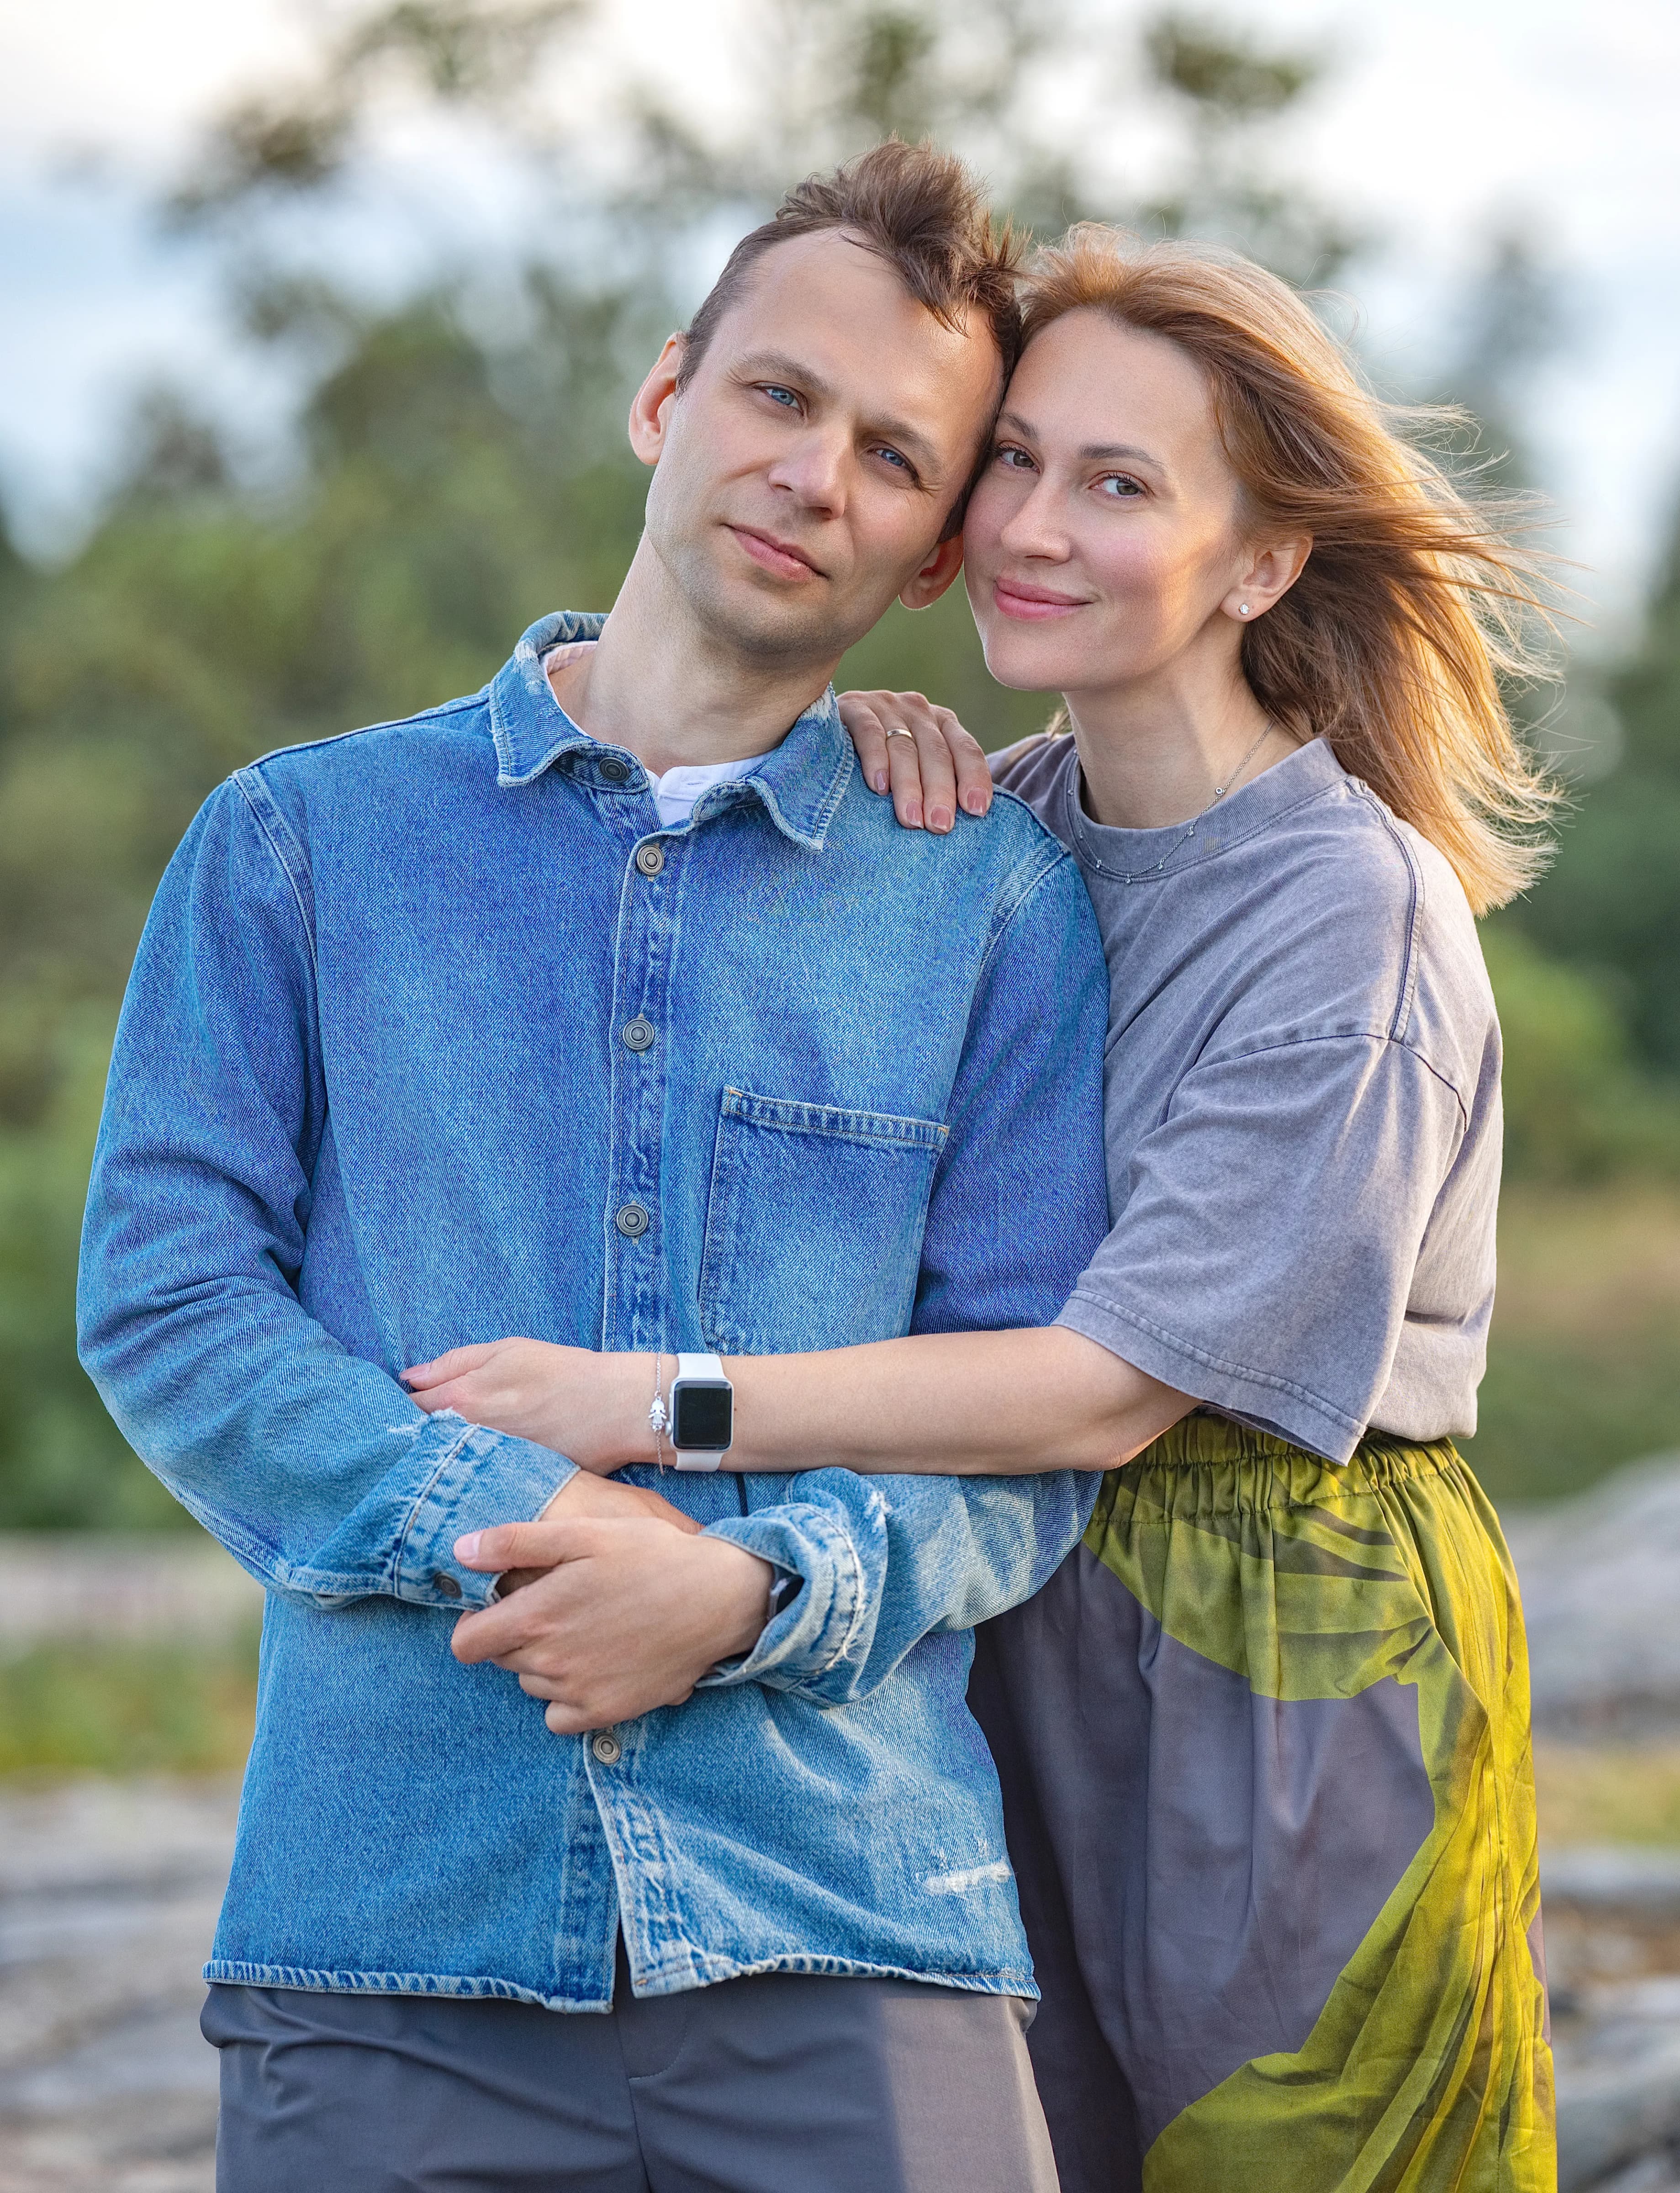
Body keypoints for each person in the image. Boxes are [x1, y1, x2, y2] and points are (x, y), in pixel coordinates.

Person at [408, 229, 1559, 2191]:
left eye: (1118, 484)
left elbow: (1112, 1388)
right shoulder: (993, 826)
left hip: (1290, 1628)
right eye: (1013, 460)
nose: (1027, 525)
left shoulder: (1348, 916)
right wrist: (846, 752)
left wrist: (662, 1401)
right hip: (1005, 1606)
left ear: (1261, 562)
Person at [75, 144, 1117, 2193]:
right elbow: (171, 1306)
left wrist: (745, 1590)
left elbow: (1033, 1416)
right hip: (393, 1930)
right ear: (665, 397)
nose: (813, 475)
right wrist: (520, 1519)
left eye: (894, 457)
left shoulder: (992, 904)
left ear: (931, 556)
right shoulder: (300, 842)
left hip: (849, 1916)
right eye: (780, 395)